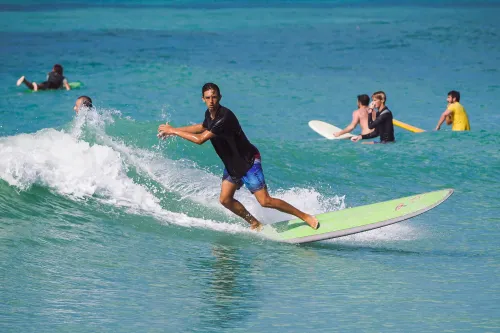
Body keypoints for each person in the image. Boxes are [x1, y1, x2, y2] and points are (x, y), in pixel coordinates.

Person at [157, 83, 319, 231]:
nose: (211, 101)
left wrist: (174, 131)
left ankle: (305, 216)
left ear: (220, 97)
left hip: (248, 162)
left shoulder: (224, 117)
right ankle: (255, 223)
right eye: (208, 98)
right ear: (203, 99)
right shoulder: (210, 114)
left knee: (265, 201)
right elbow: (202, 127)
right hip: (233, 165)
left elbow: (200, 140)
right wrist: (175, 129)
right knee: (225, 199)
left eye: (214, 97)